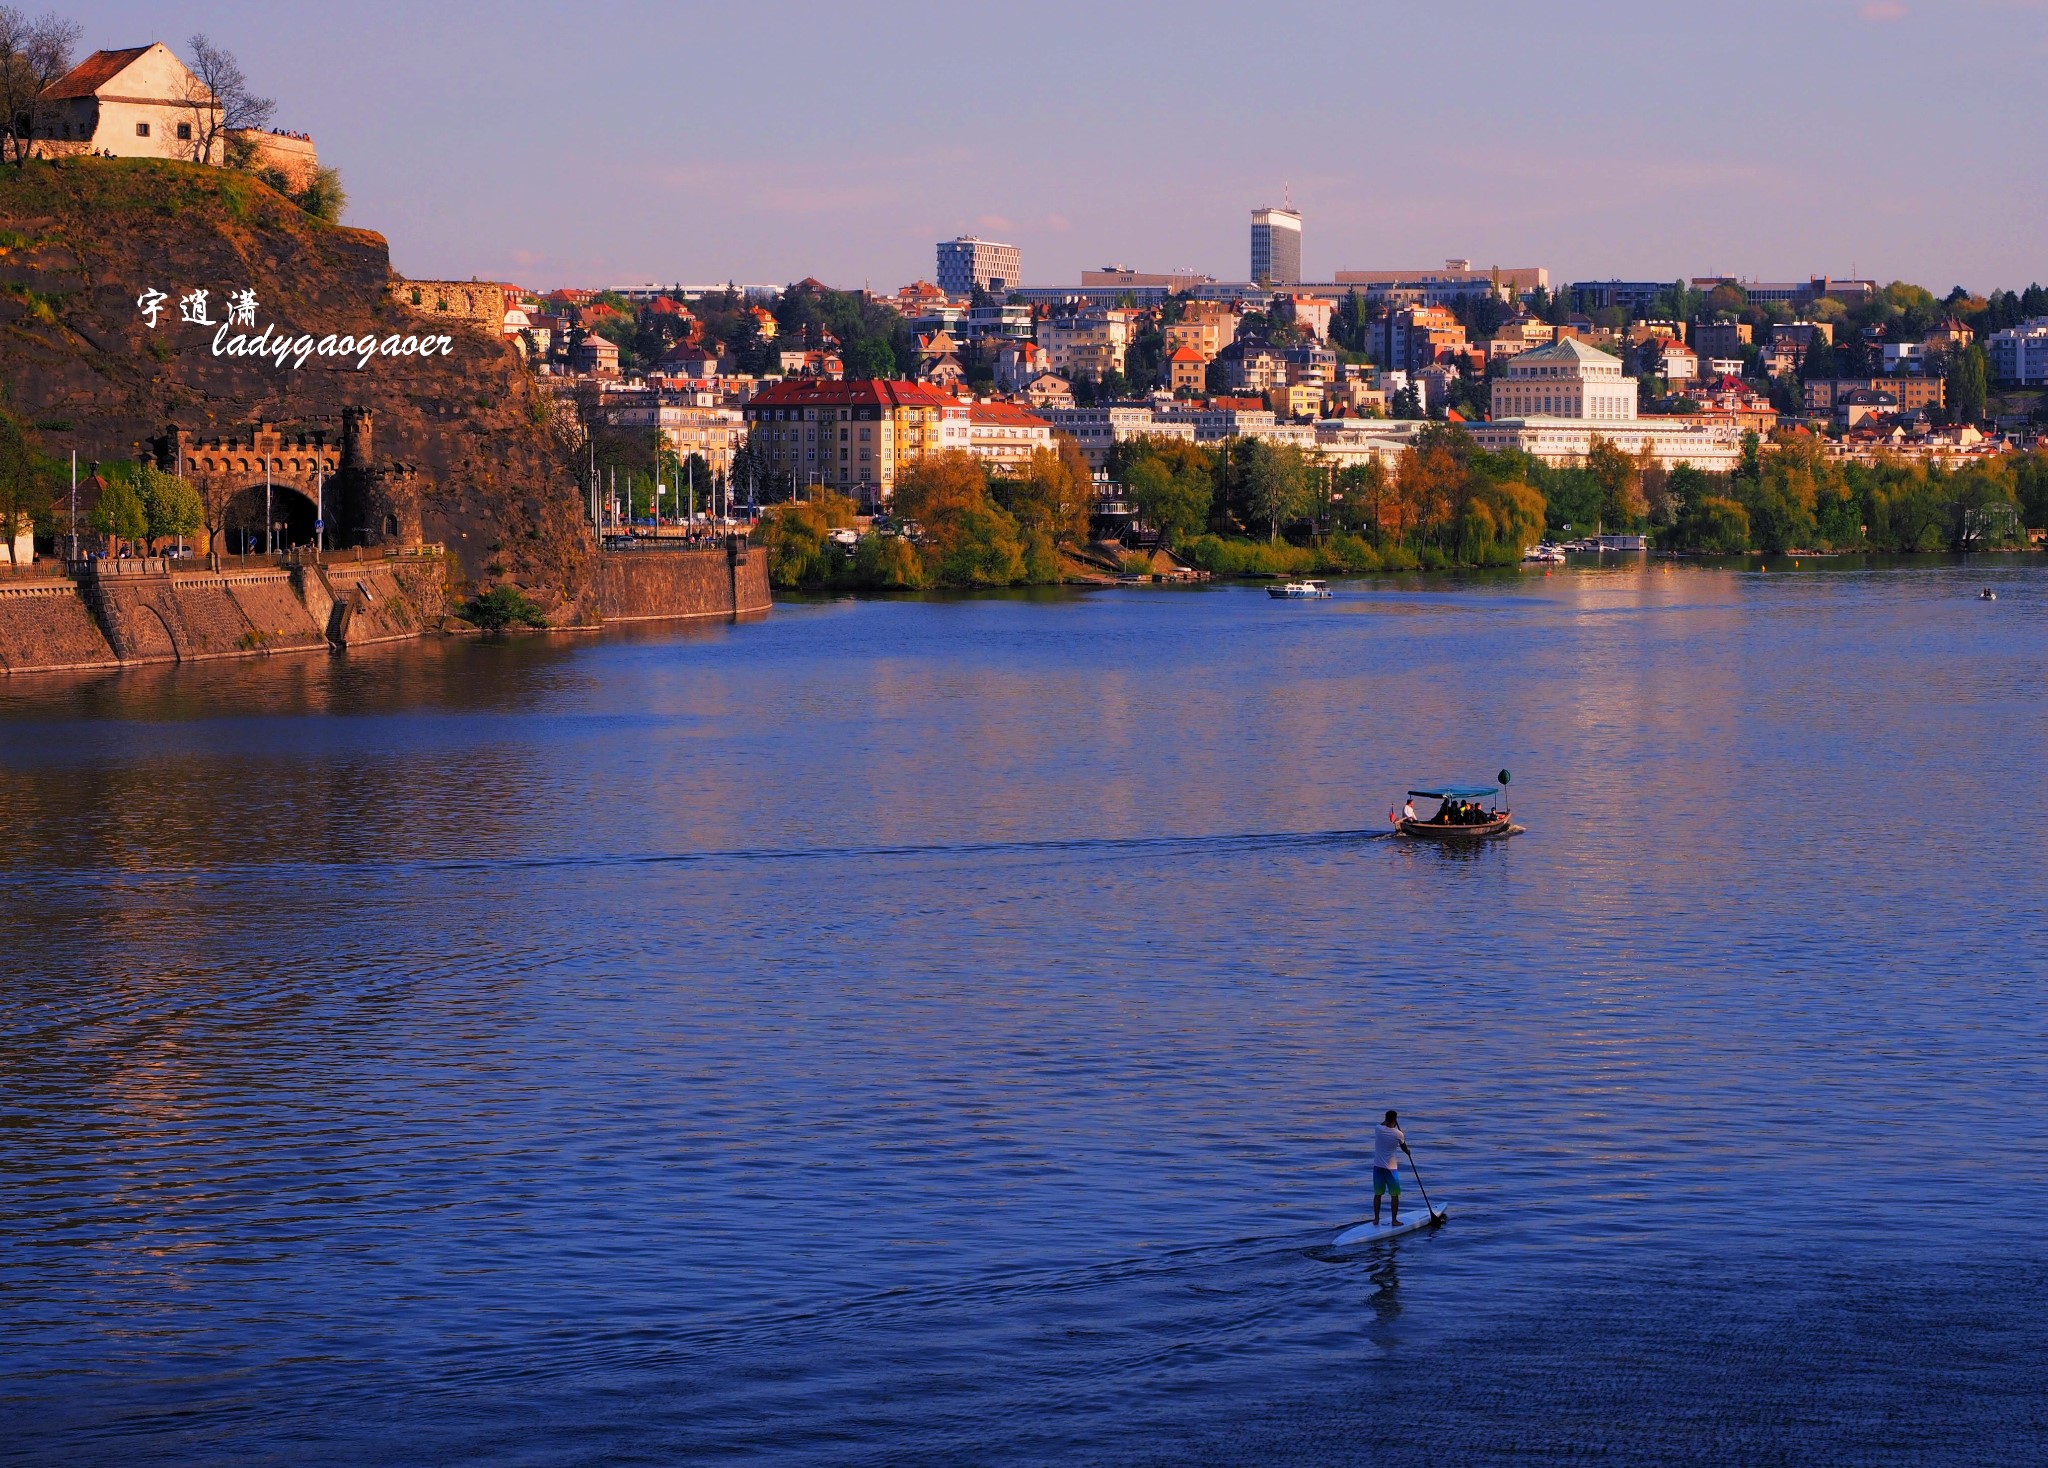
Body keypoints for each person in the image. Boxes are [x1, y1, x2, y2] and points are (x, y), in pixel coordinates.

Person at [1372, 1109, 1411, 1227]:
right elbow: (1404, 1147)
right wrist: (1408, 1152)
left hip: (1377, 1167)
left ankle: (1376, 1219)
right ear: (1395, 1120)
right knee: (1394, 1195)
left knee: (1378, 1194)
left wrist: (1390, 1121)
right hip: (1391, 1169)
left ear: (1385, 1118)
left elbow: (1383, 1124)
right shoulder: (1398, 1134)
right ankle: (1394, 1220)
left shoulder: (1377, 1129)